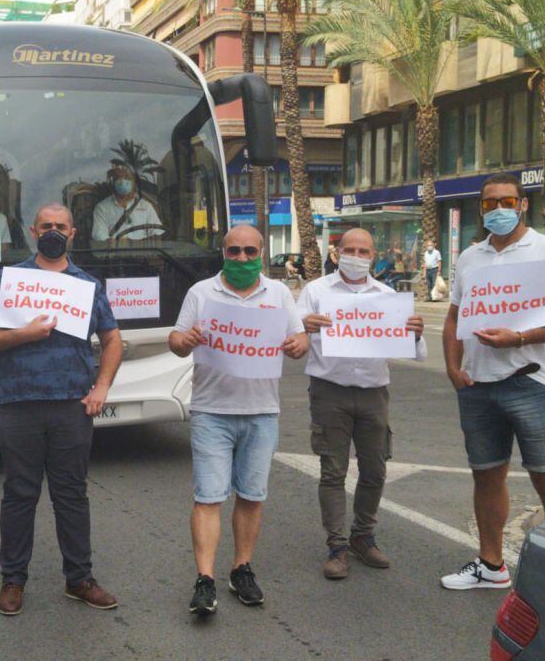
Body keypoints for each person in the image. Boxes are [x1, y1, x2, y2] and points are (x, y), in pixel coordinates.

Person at [0, 202, 123, 616]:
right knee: (19, 494)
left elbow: (112, 339)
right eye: (46, 226)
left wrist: (102, 387)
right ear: (33, 233)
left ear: (73, 234)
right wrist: (23, 334)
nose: (53, 231)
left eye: (61, 226)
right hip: (19, 403)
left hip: (72, 406)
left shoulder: (87, 285)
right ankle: (13, 580)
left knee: (72, 495)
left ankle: (79, 579)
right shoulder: (10, 279)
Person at [440, 173, 545, 591]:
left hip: (531, 384)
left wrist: (520, 338)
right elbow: (454, 318)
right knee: (486, 476)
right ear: (480, 209)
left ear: (523, 204)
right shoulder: (470, 258)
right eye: (490, 204)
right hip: (478, 387)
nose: (500, 210)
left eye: (508, 202)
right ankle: (490, 566)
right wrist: (453, 369)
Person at [169, 224, 308, 615]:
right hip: (212, 412)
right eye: (234, 251)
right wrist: (187, 340)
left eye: (250, 251)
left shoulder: (279, 293)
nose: (242, 258)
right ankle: (205, 579)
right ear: (223, 253)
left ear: (262, 253)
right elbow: (176, 342)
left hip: (262, 412)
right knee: (208, 497)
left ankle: (241, 569)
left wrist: (301, 343)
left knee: (251, 496)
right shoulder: (201, 293)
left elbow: (298, 339)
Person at [297, 228, 427, 579]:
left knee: (375, 469)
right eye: (349, 249)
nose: (357, 256)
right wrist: (302, 326)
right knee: (333, 472)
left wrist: (415, 333)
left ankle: (363, 536)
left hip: (373, 393)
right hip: (329, 391)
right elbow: (291, 339)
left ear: (373, 255)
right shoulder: (316, 291)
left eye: (364, 251)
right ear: (337, 253)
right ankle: (337, 545)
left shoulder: (387, 296)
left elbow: (413, 353)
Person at [91, 165, 164, 244]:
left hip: (142, 254)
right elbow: (99, 234)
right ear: (113, 182)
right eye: (118, 178)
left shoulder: (146, 206)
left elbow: (157, 233)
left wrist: (138, 243)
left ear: (133, 182)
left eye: (127, 178)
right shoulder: (102, 208)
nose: (122, 181)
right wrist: (113, 242)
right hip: (115, 254)